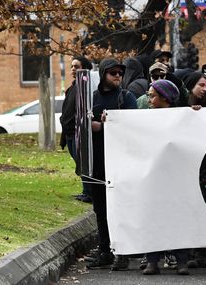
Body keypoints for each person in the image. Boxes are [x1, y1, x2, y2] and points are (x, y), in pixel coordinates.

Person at [86, 58, 137, 271]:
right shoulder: (94, 98)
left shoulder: (126, 97)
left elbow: (134, 126)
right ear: (104, 75)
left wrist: (106, 125)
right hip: (98, 162)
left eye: (120, 73)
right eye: (113, 73)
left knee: (121, 208)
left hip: (120, 163)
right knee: (101, 208)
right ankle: (105, 250)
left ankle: (123, 252)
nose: (118, 76)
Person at [140, 79, 191, 276]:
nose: (149, 99)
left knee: (178, 217)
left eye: (152, 95)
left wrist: (197, 115)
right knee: (153, 217)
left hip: (177, 177)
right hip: (154, 177)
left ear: (164, 97)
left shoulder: (182, 117)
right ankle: (153, 261)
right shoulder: (144, 119)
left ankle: (181, 260)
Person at [59, 56, 93, 203]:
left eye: (76, 66)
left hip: (77, 133)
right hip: (69, 133)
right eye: (72, 66)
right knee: (78, 163)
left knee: (83, 163)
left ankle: (89, 192)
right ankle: (86, 191)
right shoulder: (72, 88)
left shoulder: (84, 88)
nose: (73, 69)